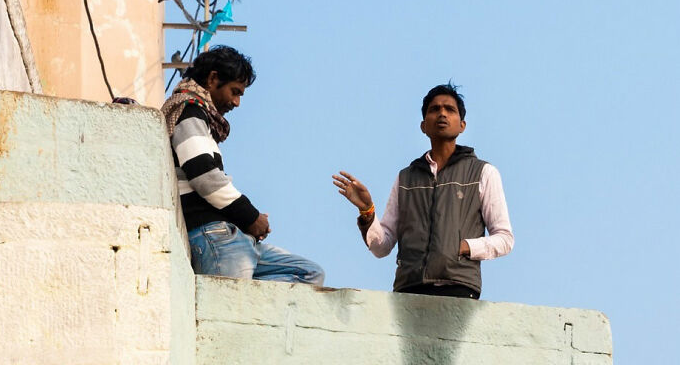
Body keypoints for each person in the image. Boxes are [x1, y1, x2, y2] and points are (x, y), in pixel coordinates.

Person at [333, 83, 513, 298]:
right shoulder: (406, 178)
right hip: (408, 289)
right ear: (423, 125)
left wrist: (462, 247)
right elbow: (382, 246)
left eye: (450, 109)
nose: (442, 114)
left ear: (462, 125)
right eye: (434, 109)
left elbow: (504, 238)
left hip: (458, 287)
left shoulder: (483, 173)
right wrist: (367, 210)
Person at [162, 46, 324, 285]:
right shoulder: (190, 111)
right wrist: (250, 216)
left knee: (309, 275)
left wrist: (246, 220)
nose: (236, 102)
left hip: (232, 236)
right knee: (228, 309)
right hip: (215, 237)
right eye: (234, 91)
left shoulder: (201, 118)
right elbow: (205, 177)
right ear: (213, 79)